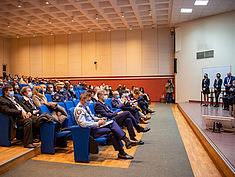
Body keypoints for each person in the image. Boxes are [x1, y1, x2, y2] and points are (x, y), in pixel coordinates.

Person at [74, 92, 135, 159]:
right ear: (82, 99)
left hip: (95, 127)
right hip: (89, 131)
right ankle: (125, 142)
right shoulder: (79, 109)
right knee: (113, 128)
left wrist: (99, 119)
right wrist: (97, 123)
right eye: (88, 100)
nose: (89, 102)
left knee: (112, 127)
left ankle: (122, 150)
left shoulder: (86, 107)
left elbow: (92, 117)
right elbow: (82, 123)